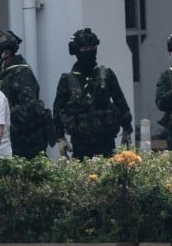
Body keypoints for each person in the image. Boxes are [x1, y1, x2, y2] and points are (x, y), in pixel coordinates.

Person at [53, 28, 133, 159]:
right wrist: (60, 138)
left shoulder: (106, 75)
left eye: (91, 48)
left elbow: (121, 103)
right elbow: (57, 111)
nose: (88, 52)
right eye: (83, 49)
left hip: (106, 142)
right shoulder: (67, 80)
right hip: (80, 144)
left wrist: (127, 130)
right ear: (76, 51)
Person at [0, 30, 52, 158]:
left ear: (5, 53)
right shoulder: (4, 75)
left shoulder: (21, 74)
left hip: (25, 145)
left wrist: (2, 114)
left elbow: (29, 108)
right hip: (11, 142)